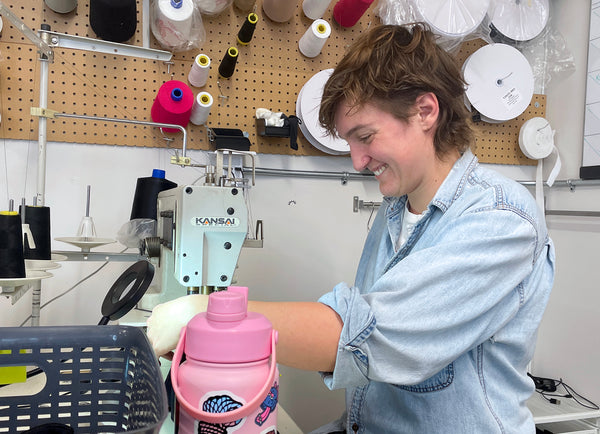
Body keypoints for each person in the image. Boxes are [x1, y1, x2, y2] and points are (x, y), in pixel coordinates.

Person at [147, 23, 555, 433]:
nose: (358, 162)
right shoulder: (396, 209)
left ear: (425, 111)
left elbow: (371, 337)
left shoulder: (500, 220)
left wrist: (211, 318)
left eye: (365, 137)